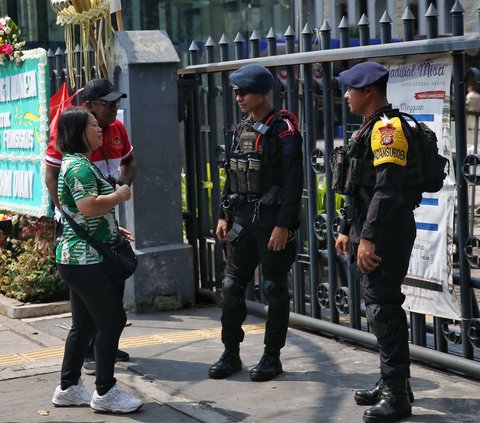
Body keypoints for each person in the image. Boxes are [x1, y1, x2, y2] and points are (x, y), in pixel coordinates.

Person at [335, 62, 420, 422]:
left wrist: (367, 238)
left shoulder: (388, 130)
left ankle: (396, 396)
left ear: (368, 91)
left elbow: (386, 191)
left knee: (383, 310)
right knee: (380, 308)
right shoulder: (367, 129)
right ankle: (393, 383)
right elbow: (357, 188)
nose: (346, 96)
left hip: (386, 232)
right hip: (369, 229)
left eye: (351, 89)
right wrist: (344, 228)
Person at [209, 64, 303, 382]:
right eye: (236, 92)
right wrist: (223, 214)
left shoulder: (284, 127)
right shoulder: (243, 128)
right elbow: (232, 174)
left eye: (243, 92)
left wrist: (284, 225)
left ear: (263, 94)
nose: (238, 97)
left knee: (274, 289)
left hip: (272, 223)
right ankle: (230, 353)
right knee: (231, 288)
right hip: (242, 220)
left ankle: (271, 357)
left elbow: (293, 181)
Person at [50, 107, 143, 413]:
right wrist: (120, 195)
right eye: (93, 125)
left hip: (79, 256)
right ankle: (105, 392)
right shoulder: (78, 168)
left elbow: (80, 212)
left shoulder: (78, 164)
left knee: (84, 324)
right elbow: (88, 206)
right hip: (86, 259)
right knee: (111, 319)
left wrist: (112, 226)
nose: (100, 128)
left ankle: (68, 387)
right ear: (79, 132)